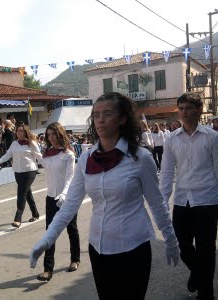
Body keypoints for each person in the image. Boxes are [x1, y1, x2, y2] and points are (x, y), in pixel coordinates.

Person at [30, 92, 179, 300]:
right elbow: (70, 205)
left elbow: (157, 205)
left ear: (122, 118)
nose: (100, 120)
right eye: (96, 114)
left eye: (107, 114)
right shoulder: (87, 159)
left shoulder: (140, 158)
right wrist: (48, 238)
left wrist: (171, 241)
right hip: (98, 249)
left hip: (133, 248)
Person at [160, 92, 218, 300]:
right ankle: (197, 274)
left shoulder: (212, 137)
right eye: (181, 108)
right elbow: (166, 173)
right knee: (182, 246)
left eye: (188, 108)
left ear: (199, 110)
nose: (184, 112)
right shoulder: (171, 140)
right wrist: (162, 203)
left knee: (206, 250)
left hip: (207, 201)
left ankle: (206, 293)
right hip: (182, 201)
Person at [32, 122, 80, 282]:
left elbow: (70, 177)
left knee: (71, 229)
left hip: (67, 198)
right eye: (49, 135)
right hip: (50, 198)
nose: (51, 138)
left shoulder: (68, 155)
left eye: (54, 134)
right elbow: (41, 162)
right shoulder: (47, 154)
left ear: (60, 135)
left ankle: (75, 259)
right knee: (49, 232)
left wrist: (65, 193)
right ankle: (47, 269)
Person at [0, 124, 41, 228]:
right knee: (27, 193)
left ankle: (17, 218)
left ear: (26, 132)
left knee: (21, 193)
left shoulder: (32, 143)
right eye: (18, 131)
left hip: (29, 171)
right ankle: (35, 214)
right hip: (18, 172)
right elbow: (8, 155)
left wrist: (48, 166)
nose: (19, 132)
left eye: (21, 131)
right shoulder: (14, 143)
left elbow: (39, 156)